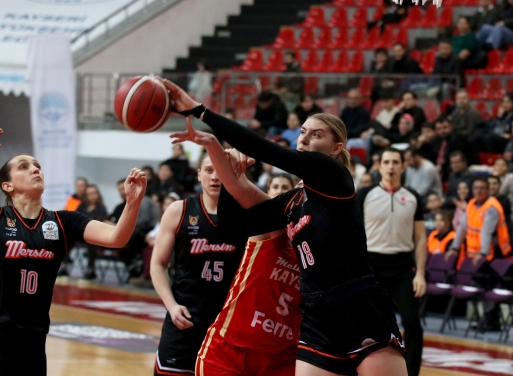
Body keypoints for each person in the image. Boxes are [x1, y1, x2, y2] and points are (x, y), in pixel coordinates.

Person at [163, 79, 407, 376]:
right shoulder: (293, 200)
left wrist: (201, 111)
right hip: (315, 311)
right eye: (302, 132)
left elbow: (268, 151)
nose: (304, 139)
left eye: (316, 134)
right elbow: (233, 227)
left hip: (356, 302)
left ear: (336, 148)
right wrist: (222, 158)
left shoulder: (334, 177)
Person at [0, 126, 146, 376]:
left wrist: (133, 203)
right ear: (7, 185)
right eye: (24, 167)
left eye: (37, 166)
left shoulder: (64, 222)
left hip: (31, 342)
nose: (35, 169)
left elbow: (117, 238)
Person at [177, 122, 300, 376]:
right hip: (232, 347)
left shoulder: (320, 242)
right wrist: (216, 148)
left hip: (282, 355)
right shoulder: (272, 225)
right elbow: (237, 186)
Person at [150, 155, 247, 375]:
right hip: (185, 316)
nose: (215, 177)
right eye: (209, 170)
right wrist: (171, 306)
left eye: (221, 170)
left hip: (226, 322)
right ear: (199, 175)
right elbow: (158, 263)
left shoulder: (246, 213)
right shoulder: (179, 210)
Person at [357, 148, 426, 376]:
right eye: (386, 162)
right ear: (379, 166)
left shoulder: (413, 196)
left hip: (402, 267)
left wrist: (420, 274)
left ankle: (411, 373)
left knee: (412, 322)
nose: (390, 166)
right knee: (366, 325)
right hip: (371, 265)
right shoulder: (365, 194)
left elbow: (420, 237)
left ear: (403, 166)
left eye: (395, 162)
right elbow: (353, 233)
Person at [446, 178, 511, 265]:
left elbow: (486, 231)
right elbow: (462, 227)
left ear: (488, 190)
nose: (478, 191)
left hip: (492, 251)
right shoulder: (471, 204)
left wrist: (483, 253)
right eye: (476, 188)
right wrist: (455, 247)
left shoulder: (492, 207)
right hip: (474, 251)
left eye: (482, 188)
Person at [75, 184, 108, 280]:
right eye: (89, 194)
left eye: (94, 193)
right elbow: (75, 219)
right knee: (65, 237)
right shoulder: (82, 206)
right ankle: (64, 266)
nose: (92, 196)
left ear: (98, 194)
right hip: (80, 233)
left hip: (94, 235)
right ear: (86, 196)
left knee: (91, 241)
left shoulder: (101, 208)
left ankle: (91, 270)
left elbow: (98, 222)